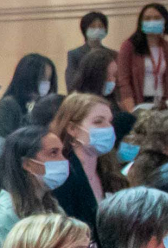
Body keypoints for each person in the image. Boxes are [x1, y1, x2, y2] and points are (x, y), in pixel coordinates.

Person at [0, 125, 68, 248]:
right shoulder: (6, 213)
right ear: (28, 164)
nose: (63, 160)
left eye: (62, 152)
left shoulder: (50, 204)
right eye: (53, 153)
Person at [50, 93, 121, 231]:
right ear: (73, 129)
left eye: (110, 121)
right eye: (98, 122)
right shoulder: (62, 177)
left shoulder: (108, 169)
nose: (108, 128)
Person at [114, 4, 168, 110]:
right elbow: (123, 82)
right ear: (141, 22)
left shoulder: (167, 47)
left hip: (163, 103)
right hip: (138, 102)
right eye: (147, 18)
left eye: (157, 18)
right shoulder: (129, 46)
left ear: (165, 21)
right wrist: (132, 110)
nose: (152, 21)